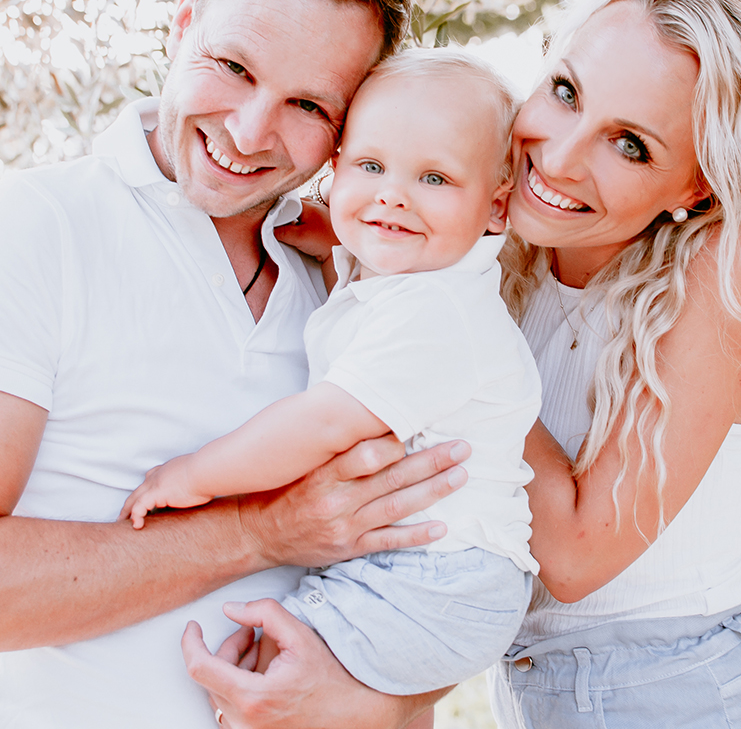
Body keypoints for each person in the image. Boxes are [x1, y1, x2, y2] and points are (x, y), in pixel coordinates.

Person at [184, 0, 741, 728]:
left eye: (630, 144)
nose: (561, 158)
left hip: (678, 699)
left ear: (696, 187)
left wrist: (456, 336)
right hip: (533, 691)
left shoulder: (729, 267)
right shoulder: (496, 250)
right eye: (566, 92)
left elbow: (574, 557)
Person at [0, 0, 468, 729]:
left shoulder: (351, 280)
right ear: (185, 18)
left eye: (308, 106)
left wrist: (371, 701)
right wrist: (259, 532)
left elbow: (423, 571)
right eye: (234, 67)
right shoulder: (37, 226)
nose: (250, 132)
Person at [120, 50, 541, 695]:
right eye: (371, 167)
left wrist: (195, 474)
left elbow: (320, 425)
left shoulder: (438, 311)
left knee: (277, 678)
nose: (392, 195)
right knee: (269, 667)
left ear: (496, 209)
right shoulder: (405, 281)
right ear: (336, 170)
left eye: (434, 178)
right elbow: (359, 270)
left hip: (439, 578)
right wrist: (335, 240)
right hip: (423, 570)